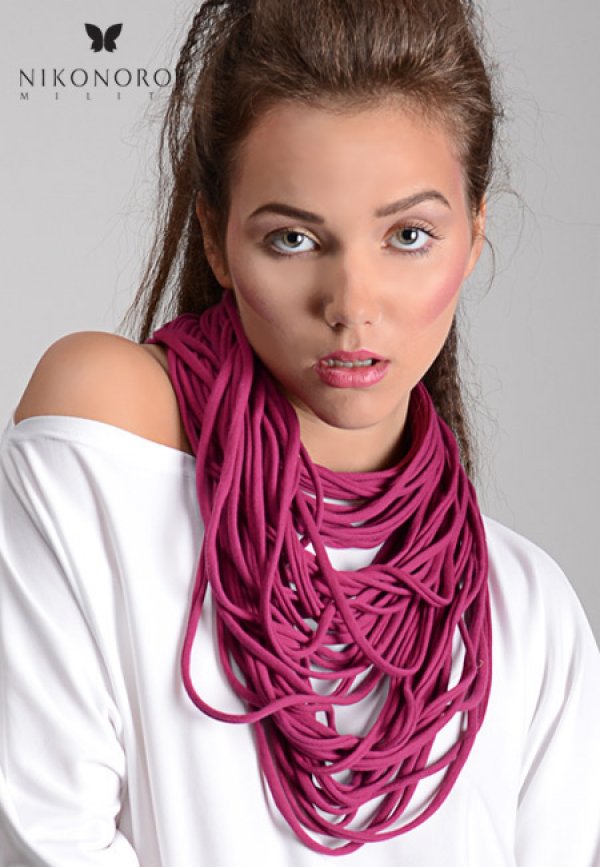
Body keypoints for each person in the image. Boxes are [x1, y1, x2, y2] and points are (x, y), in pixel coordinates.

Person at [1, 0, 599, 864]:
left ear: (472, 239)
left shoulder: (530, 614)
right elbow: (47, 836)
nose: (351, 304)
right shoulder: (107, 444)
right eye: (292, 238)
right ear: (216, 240)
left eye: (409, 235)